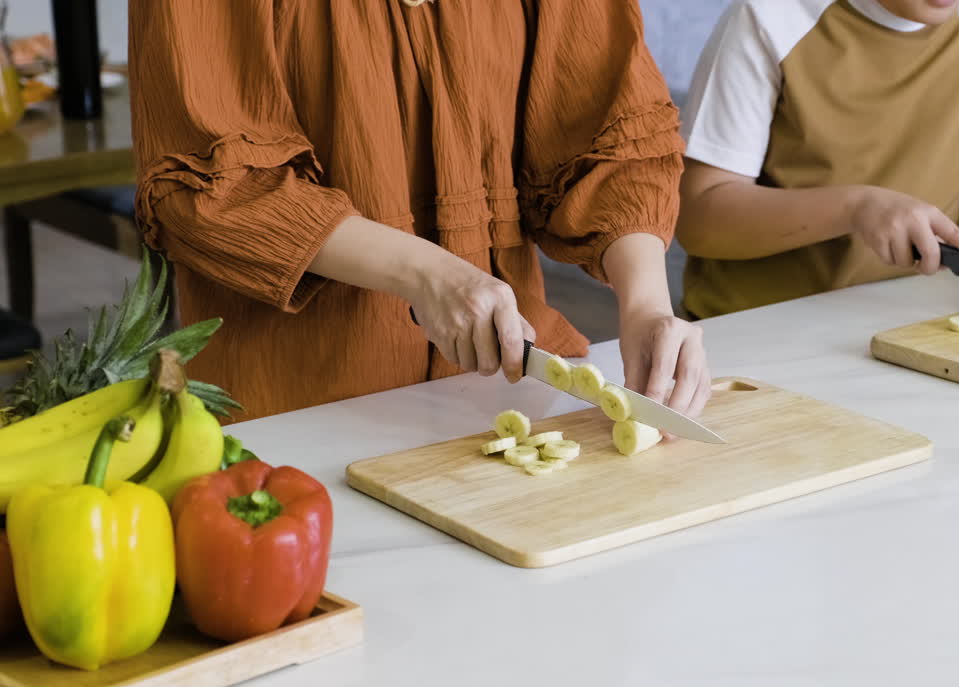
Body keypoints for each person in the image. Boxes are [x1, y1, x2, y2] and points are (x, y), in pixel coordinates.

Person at [128, 0, 710, 423]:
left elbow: (608, 129)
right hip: (303, 411)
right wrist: (426, 273)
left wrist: (646, 306)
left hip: (507, 392)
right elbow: (210, 187)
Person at [675, 0, 959, 321]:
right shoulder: (770, 15)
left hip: (919, 328)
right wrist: (857, 208)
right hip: (757, 329)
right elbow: (700, 218)